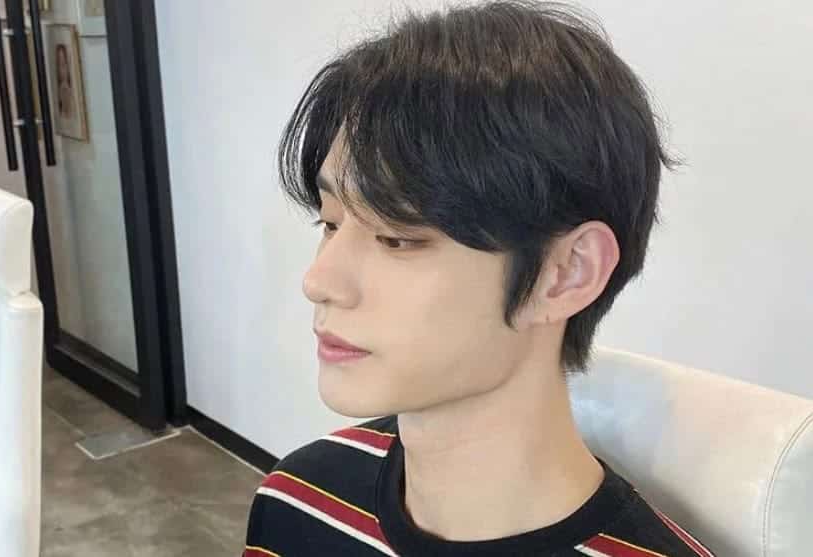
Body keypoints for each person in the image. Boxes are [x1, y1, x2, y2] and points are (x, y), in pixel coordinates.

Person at [244, 1, 715, 555]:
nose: (318, 280)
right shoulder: (298, 500)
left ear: (568, 273)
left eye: (396, 236)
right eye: (329, 223)